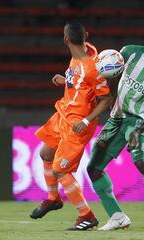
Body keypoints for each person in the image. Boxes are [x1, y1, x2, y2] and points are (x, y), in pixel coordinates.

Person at [87, 23, 144, 231]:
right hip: (116, 119)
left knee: (140, 161)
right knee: (94, 168)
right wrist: (110, 96)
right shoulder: (129, 52)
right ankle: (117, 216)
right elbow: (111, 72)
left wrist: (138, 131)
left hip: (140, 121)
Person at [29, 20, 112, 231]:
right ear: (86, 35)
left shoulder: (93, 67)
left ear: (65, 39)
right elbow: (79, 83)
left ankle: (87, 216)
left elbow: (106, 99)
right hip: (63, 114)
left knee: (60, 171)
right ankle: (53, 199)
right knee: (46, 153)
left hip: (78, 124)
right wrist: (64, 80)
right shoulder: (80, 53)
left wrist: (85, 121)